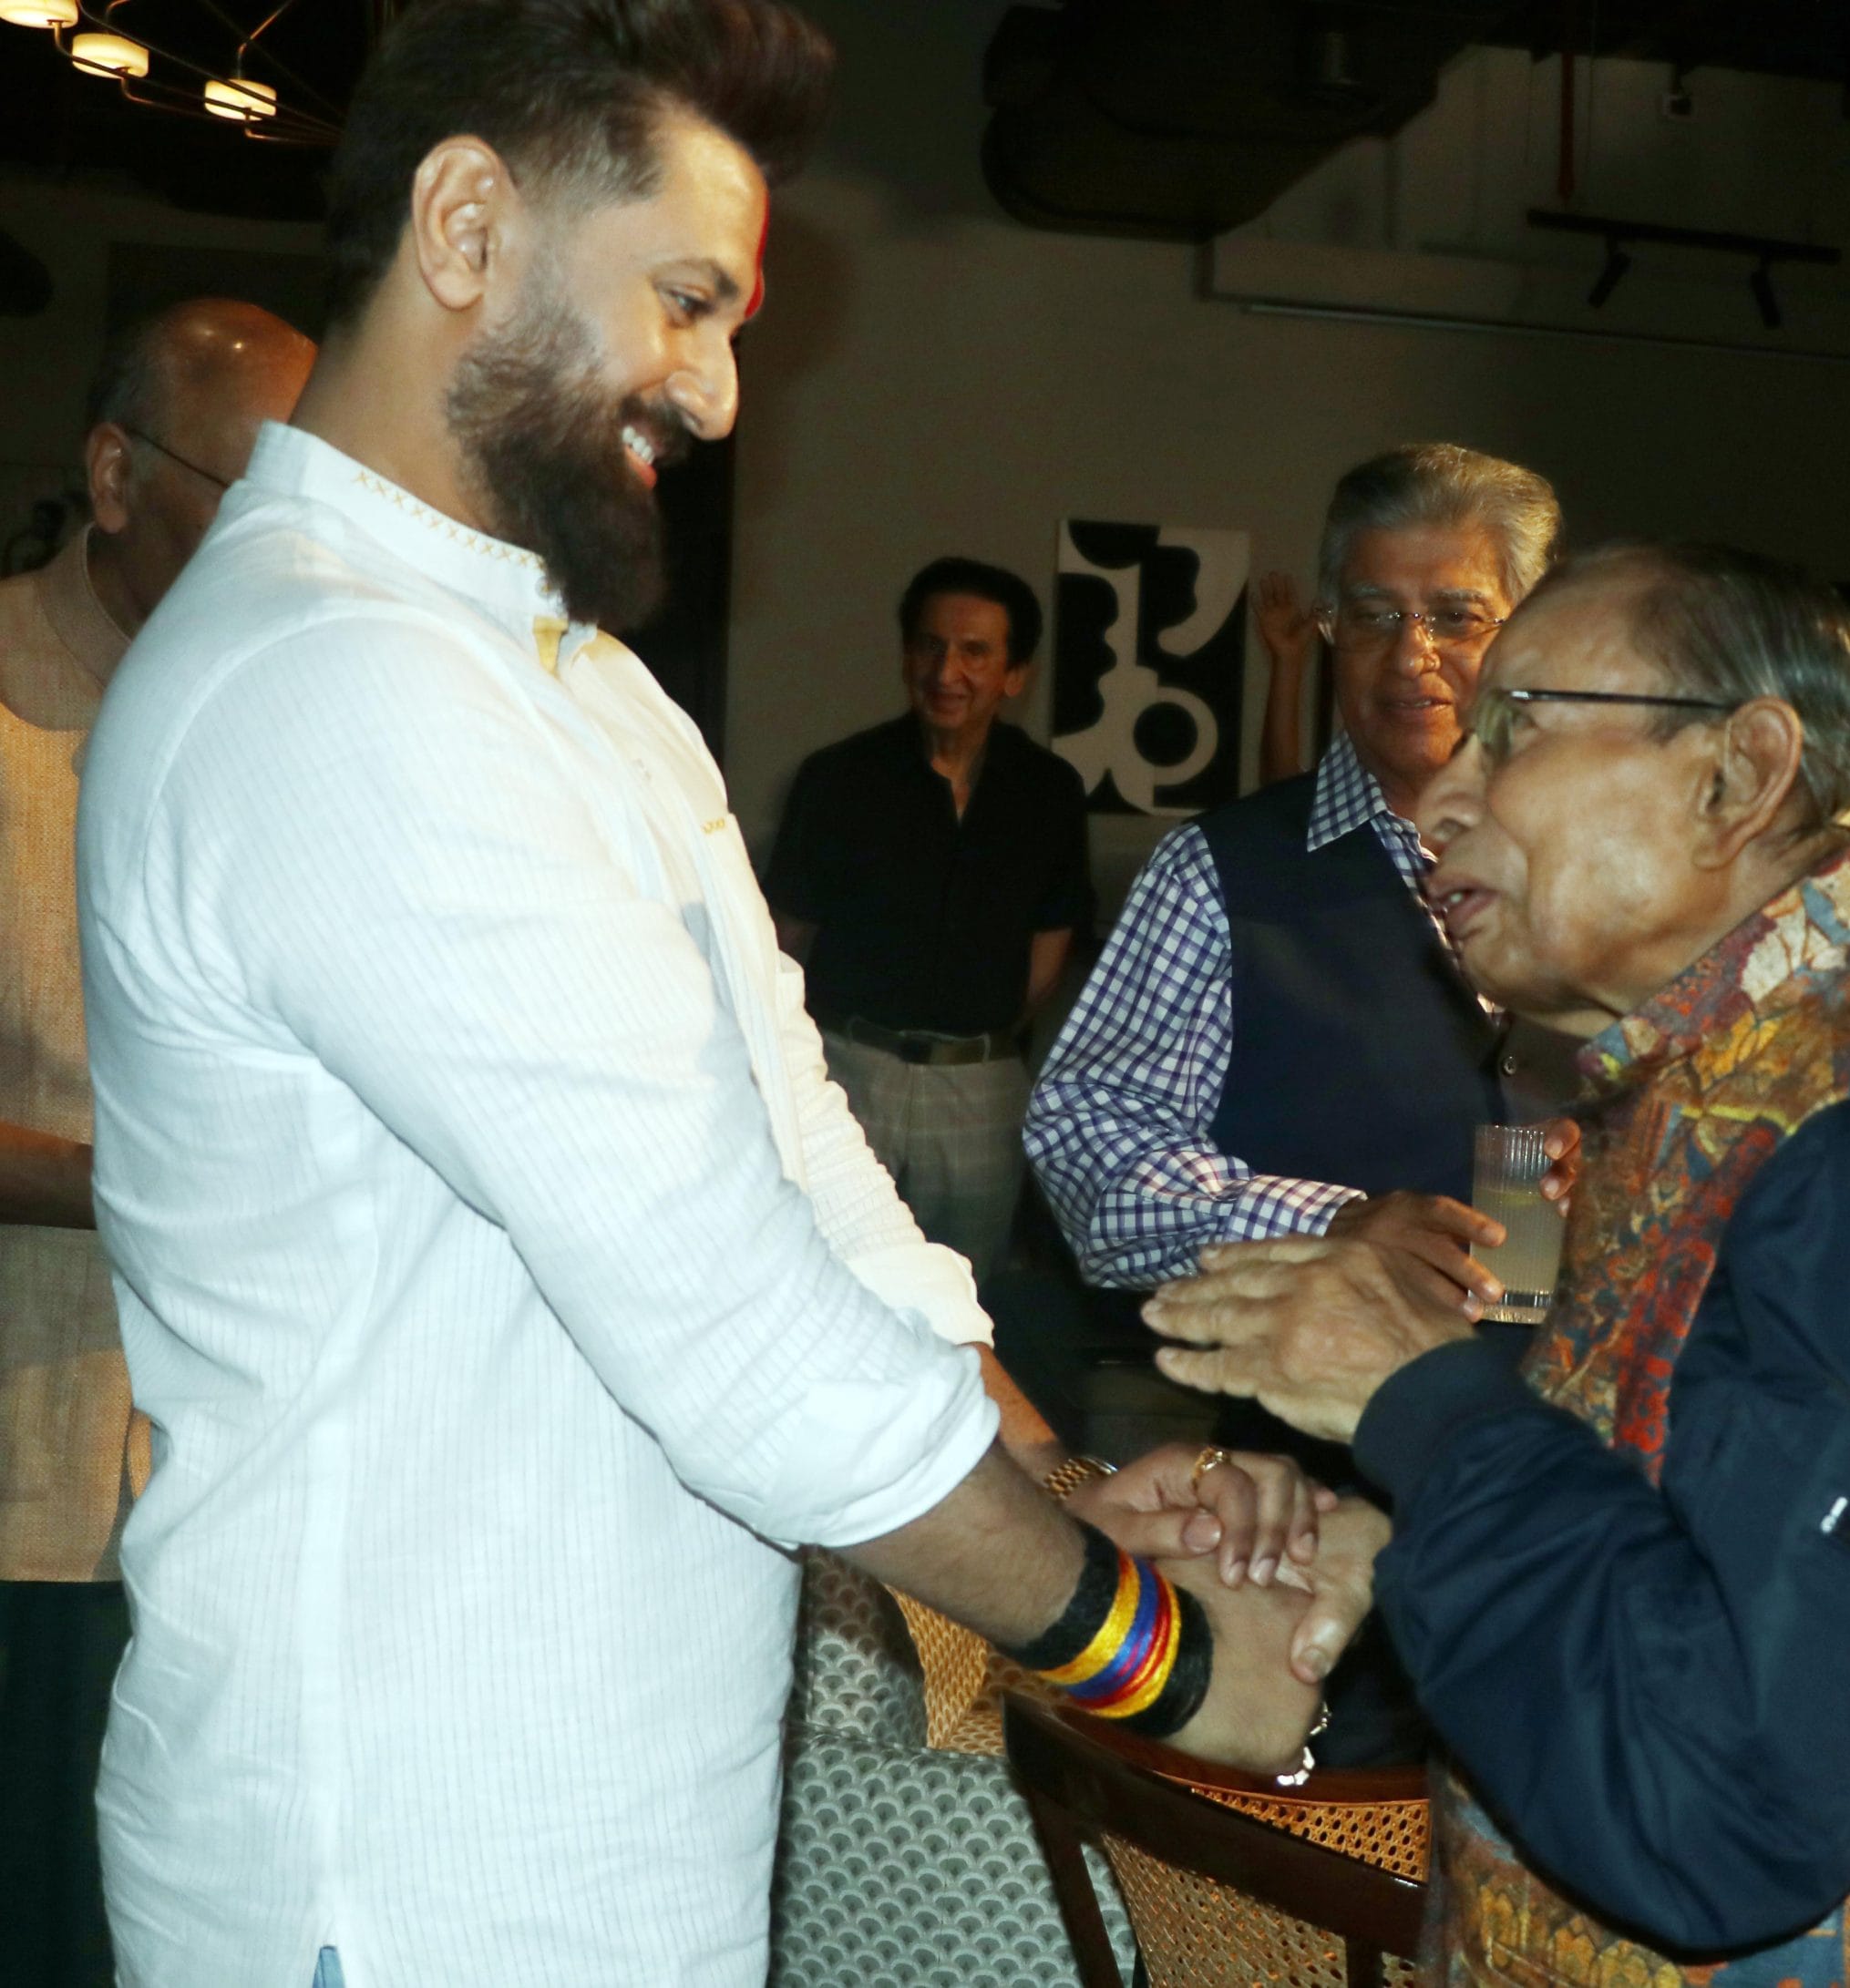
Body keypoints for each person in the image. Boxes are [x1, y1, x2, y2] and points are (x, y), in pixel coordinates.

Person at [73, 6, 1371, 1983]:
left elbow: (812, 1179)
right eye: (684, 301)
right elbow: (728, 1320)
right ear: (464, 225)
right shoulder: (330, 684)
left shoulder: (567, 680)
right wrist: (1157, 1654)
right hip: (398, 1872)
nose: (722, 389)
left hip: (611, 1848)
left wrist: (1061, 1473)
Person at [1146, 542, 1850, 1985]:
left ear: (1737, 774)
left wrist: (1423, 1404)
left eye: (1519, 725)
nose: (1444, 794)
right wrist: (1403, 1533)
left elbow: (1721, 1810)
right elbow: (1694, 1534)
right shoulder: (1753, 1051)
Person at [0, 296, 314, 1988]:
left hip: (237, 1507)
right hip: (26, 1494)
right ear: (116, 474)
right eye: (251, 498)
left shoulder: (289, 729)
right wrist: (151, 1190)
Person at [1027, 442, 1574, 1315]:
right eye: (1373, 616)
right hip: (1321, 1423)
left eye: (1456, 618)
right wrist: (1328, 1225)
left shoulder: (1607, 860)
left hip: (1589, 1417)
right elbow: (1094, 1145)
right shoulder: (1222, 875)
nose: (1411, 657)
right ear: (1329, 629)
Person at [763, 556, 1090, 1285]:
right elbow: (785, 941)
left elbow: (1052, 942)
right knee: (827, 1277)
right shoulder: (838, 778)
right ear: (906, 654)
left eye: (975, 651)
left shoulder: (1049, 792)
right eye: (930, 646)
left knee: (967, 1299)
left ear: (1014, 674)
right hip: (849, 1070)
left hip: (979, 1088)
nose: (947, 670)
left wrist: (980, 1033)